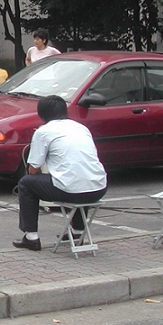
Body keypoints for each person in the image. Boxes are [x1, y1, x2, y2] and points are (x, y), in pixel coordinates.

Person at [13, 95, 107, 251]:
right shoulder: (81, 127)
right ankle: (77, 232)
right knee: (78, 180)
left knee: (26, 183)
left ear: (41, 114)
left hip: (71, 190)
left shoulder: (43, 132)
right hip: (98, 188)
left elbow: (33, 169)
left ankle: (31, 237)